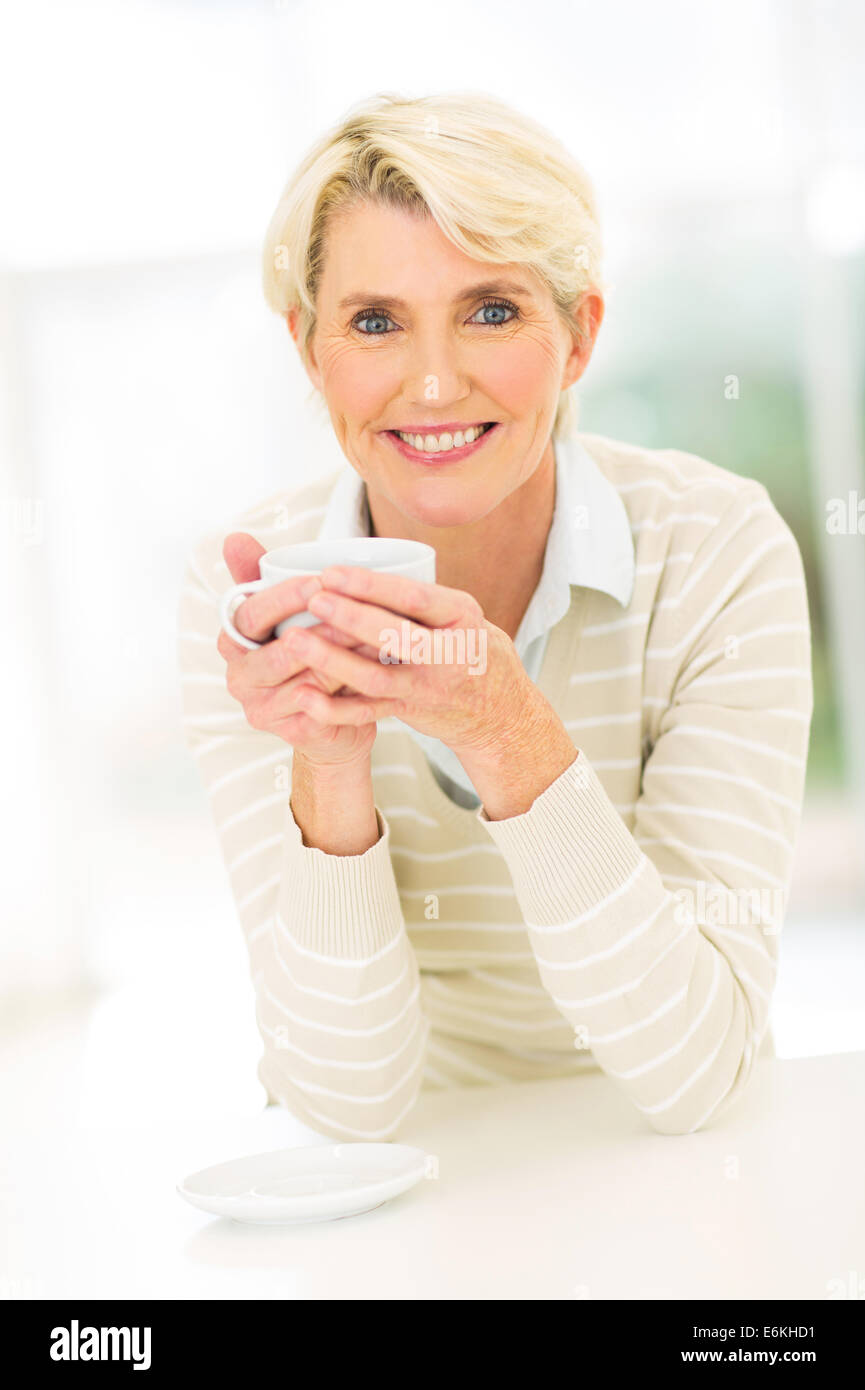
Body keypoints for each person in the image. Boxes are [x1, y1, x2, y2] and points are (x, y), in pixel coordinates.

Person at [178, 91, 812, 1141]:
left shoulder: (714, 551)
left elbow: (696, 1072)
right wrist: (327, 760)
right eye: (374, 322)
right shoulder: (246, 598)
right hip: (412, 1174)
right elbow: (346, 1106)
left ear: (577, 337)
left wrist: (503, 729)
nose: (432, 382)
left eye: (491, 310)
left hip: (675, 1158)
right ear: (309, 350)